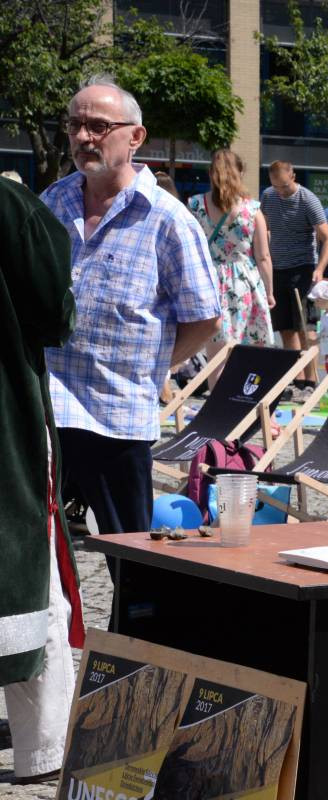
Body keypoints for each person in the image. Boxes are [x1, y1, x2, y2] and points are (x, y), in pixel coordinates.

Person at [40, 74, 221, 545]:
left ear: (135, 137)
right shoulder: (51, 203)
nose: (83, 137)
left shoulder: (168, 219)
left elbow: (205, 316)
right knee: (38, 547)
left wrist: (153, 366)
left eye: (98, 126)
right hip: (46, 409)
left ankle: (133, 621)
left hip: (115, 413)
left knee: (130, 551)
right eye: (75, 125)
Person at [0, 174, 85, 786]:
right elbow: (55, 312)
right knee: (28, 574)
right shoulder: (12, 206)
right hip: (5, 419)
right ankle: (42, 748)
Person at [186, 148, 274, 388]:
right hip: (244, 281)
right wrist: (269, 291)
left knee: (216, 352)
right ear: (241, 172)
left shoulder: (195, 205)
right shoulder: (253, 210)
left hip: (209, 280)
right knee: (252, 348)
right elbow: (263, 256)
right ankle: (247, 403)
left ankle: (217, 410)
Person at [260, 160, 328, 389]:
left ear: (293, 176)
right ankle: (296, 377)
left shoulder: (308, 199)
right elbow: (264, 228)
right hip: (277, 268)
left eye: (283, 186)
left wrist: (319, 268)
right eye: (276, 186)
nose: (280, 192)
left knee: (305, 327)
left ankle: (311, 378)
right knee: (285, 327)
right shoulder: (269, 196)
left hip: (302, 267)